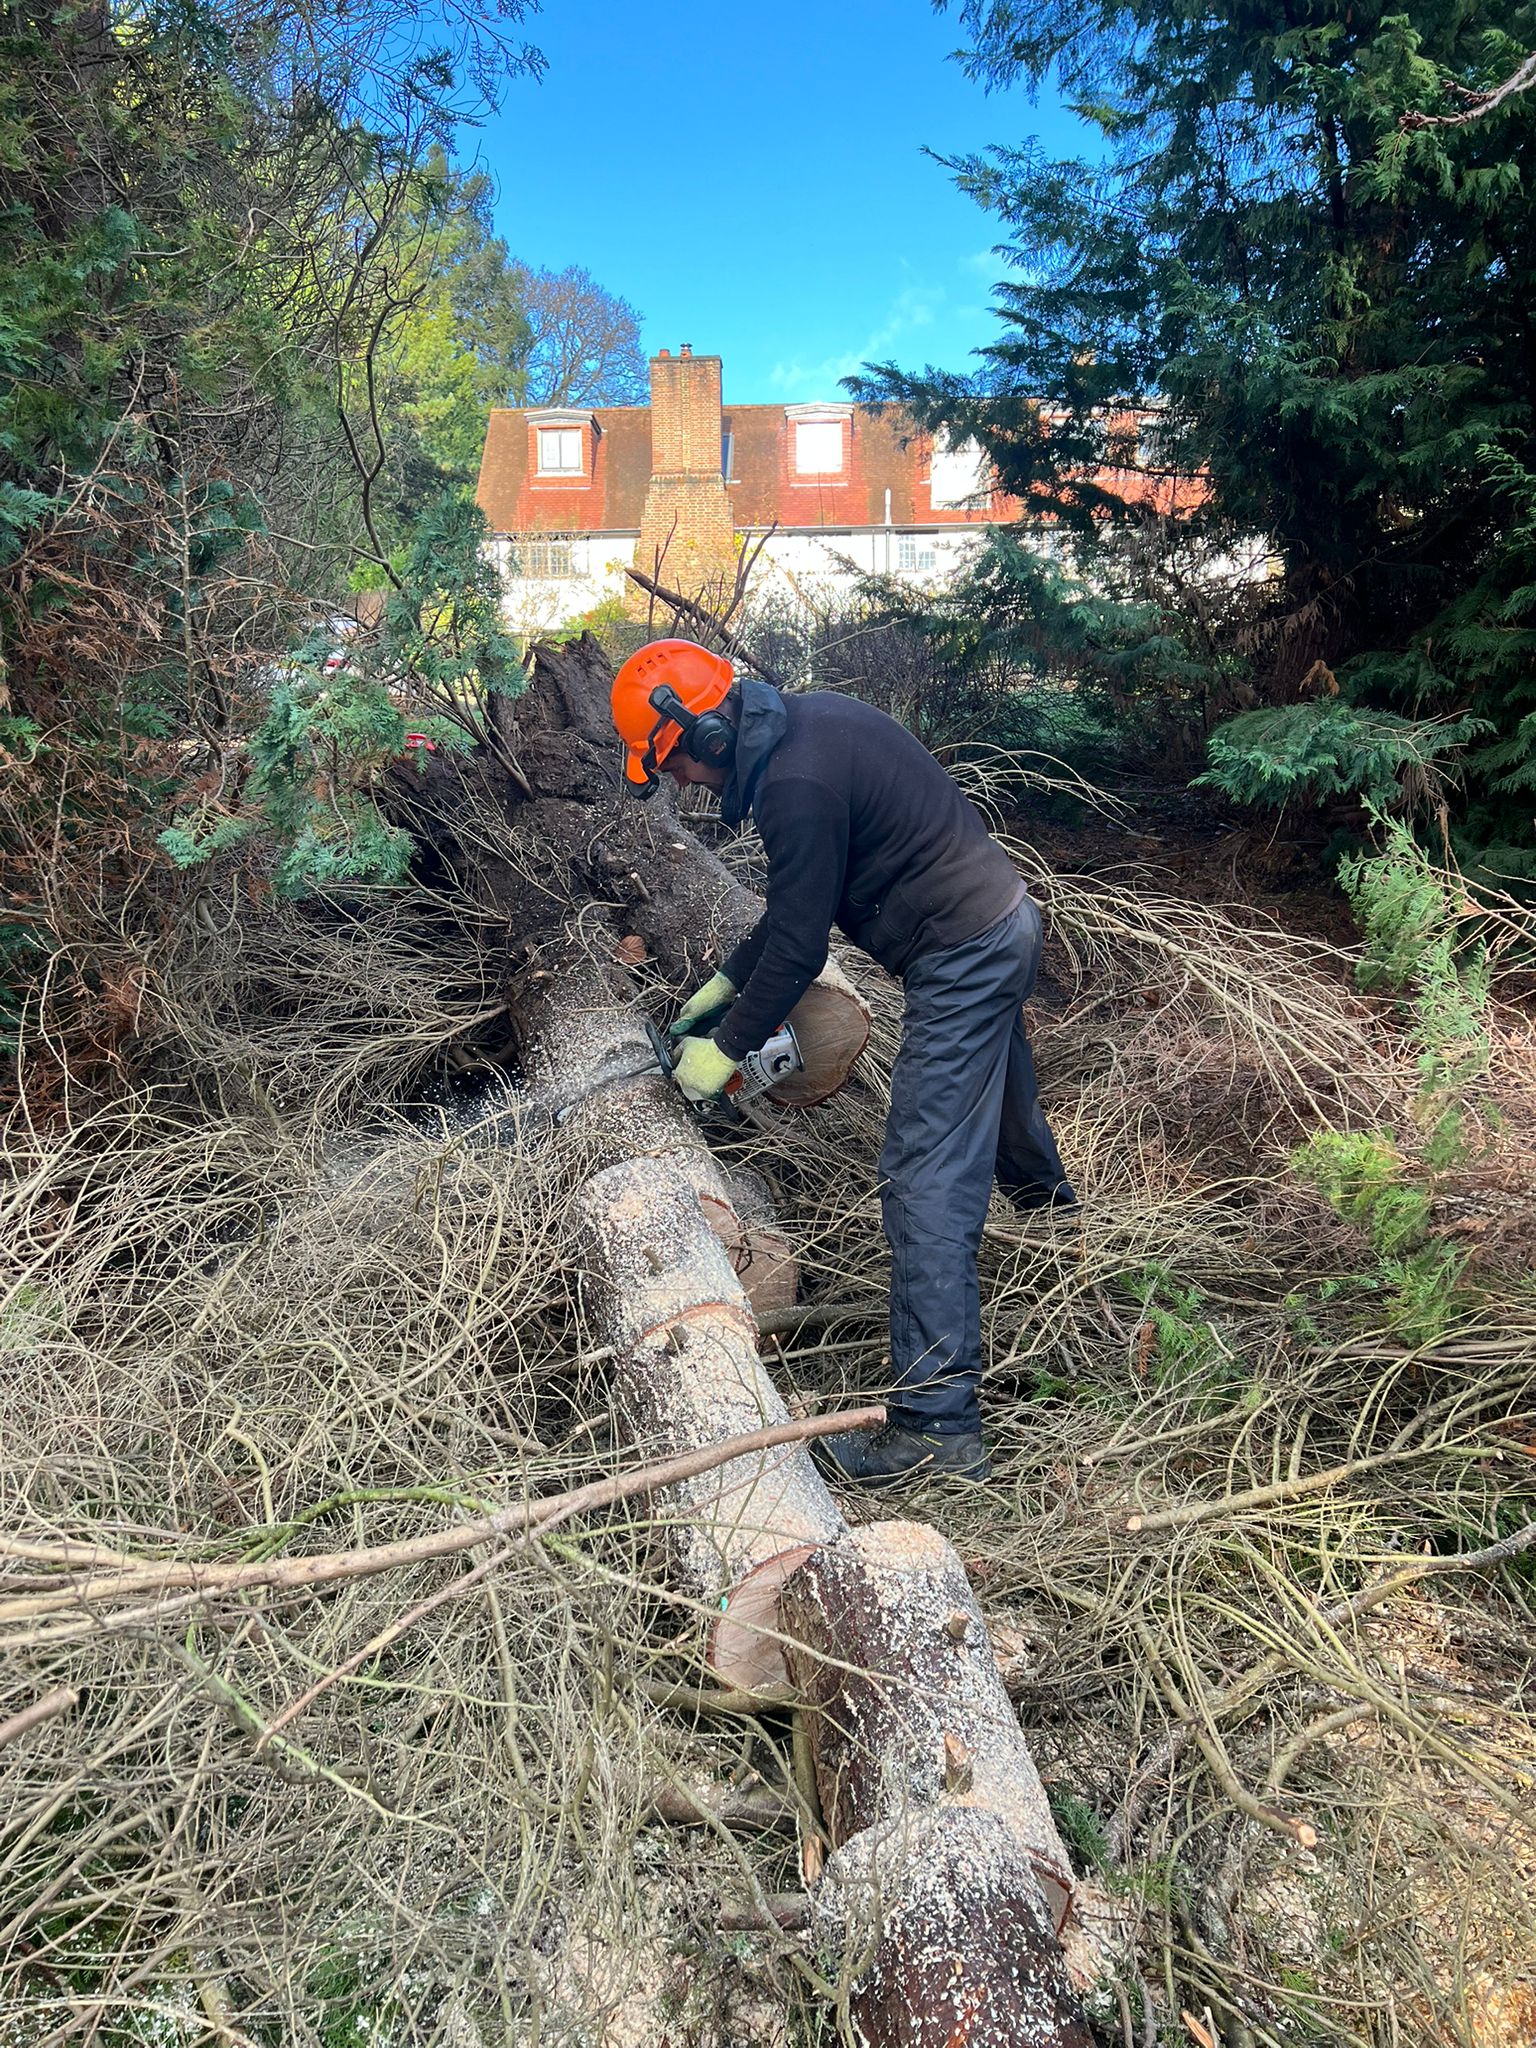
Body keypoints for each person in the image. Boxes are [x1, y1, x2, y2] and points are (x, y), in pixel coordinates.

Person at [610, 638, 1075, 1485]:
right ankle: (1074, 1256)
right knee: (1001, 1116)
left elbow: (798, 947)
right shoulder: (806, 732)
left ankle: (937, 1425)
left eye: (674, 762)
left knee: (923, 1173)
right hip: (999, 922)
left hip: (963, 953)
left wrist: (722, 1051)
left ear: (709, 731)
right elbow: (788, 920)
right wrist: (717, 992)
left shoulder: (795, 785)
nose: (680, 782)